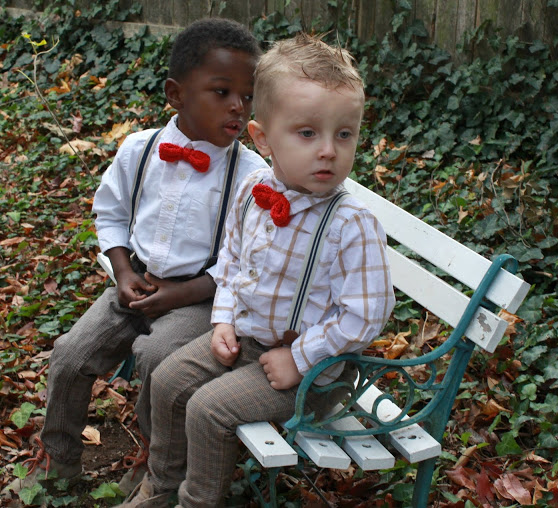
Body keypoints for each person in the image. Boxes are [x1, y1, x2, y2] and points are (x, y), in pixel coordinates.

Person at [118, 32, 396, 507]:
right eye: (308, 133)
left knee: (208, 409)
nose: (328, 150)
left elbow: (364, 316)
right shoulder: (252, 192)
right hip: (245, 340)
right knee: (166, 379)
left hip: (313, 375)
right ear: (263, 138)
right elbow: (231, 265)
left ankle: (197, 500)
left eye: (343, 133)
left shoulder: (352, 225)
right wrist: (224, 317)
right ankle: (161, 484)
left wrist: (302, 359)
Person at [4, 17, 268, 498]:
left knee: (156, 354)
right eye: (222, 91)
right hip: (135, 283)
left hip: (200, 299)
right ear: (176, 94)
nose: (238, 106)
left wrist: (186, 292)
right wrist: (123, 272)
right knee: (71, 353)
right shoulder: (140, 150)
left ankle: (156, 457)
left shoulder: (251, 176)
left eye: (248, 96)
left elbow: (246, 261)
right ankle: (58, 457)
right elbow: (109, 215)